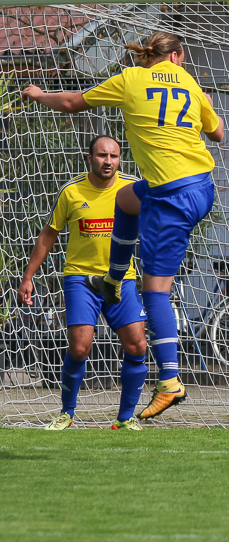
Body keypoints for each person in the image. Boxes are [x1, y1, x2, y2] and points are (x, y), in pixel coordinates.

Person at [22, 32, 224, 420]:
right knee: (126, 199)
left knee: (156, 291)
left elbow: (71, 102)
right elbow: (218, 134)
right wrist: (206, 105)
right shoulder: (190, 83)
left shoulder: (131, 78)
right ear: (177, 56)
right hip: (200, 186)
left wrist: (39, 94)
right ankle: (113, 279)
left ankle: (169, 380)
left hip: (172, 196)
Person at [18, 136, 148, 430]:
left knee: (138, 345)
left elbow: (156, 221)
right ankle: (66, 413)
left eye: (113, 156)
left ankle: (125, 418)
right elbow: (48, 234)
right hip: (81, 278)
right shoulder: (71, 191)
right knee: (79, 348)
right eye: (102, 155)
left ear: (119, 159)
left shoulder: (133, 188)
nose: (108, 161)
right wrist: (28, 277)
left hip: (121, 279)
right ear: (89, 158)